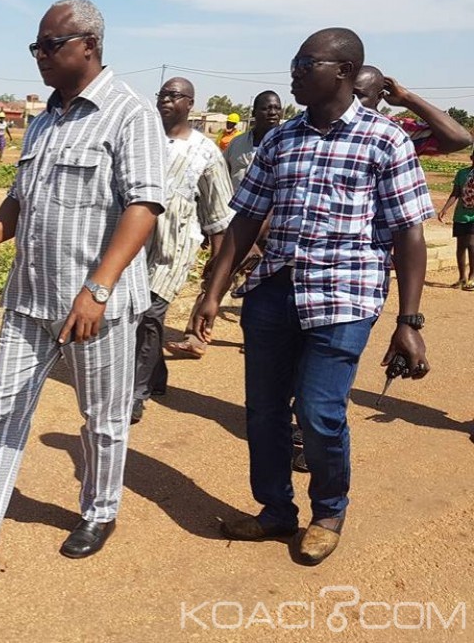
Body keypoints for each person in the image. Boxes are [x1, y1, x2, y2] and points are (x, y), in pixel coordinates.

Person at [0, 0, 165, 585]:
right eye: (36, 46)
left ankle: (100, 510)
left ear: (89, 45)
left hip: (95, 305)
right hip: (30, 297)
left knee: (102, 417)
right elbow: (21, 198)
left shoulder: (130, 114)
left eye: (51, 45)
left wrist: (97, 289)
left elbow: (144, 206)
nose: (40, 56)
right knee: (1, 413)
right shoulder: (45, 118)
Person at [193, 28, 434, 565]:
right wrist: (213, 291)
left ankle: (328, 511)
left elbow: (409, 233)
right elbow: (245, 220)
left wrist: (409, 320)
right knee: (264, 412)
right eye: (295, 62)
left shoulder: (385, 139)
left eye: (306, 63)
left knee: (322, 413)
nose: (295, 72)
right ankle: (276, 511)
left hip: (345, 297)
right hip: (274, 292)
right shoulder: (281, 140)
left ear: (344, 71)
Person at [130, 77, 232, 424]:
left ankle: (135, 394)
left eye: (174, 95)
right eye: (162, 94)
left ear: (190, 103)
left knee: (149, 313)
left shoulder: (206, 152)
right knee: (136, 315)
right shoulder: (141, 140)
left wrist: (218, 270)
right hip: (133, 244)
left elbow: (219, 216)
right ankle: (155, 375)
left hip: (173, 248)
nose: (165, 100)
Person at [165, 90, 283, 360]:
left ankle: (259, 340)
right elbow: (220, 183)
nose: (273, 112)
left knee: (261, 289)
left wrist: (260, 231)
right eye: (267, 108)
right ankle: (196, 337)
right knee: (215, 277)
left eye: (277, 108)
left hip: (271, 230)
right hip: (238, 226)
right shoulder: (238, 145)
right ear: (254, 113)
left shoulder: (285, 144)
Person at [354, 66, 472, 155]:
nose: (350, 101)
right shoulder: (336, 123)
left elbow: (460, 139)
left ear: (379, 97)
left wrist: (407, 98)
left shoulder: (396, 130)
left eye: (358, 95)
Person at [437, 150, 474, 289]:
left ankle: (472, 276)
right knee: (460, 247)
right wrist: (444, 209)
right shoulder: (462, 173)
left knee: (471, 244)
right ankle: (462, 278)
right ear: (471, 158)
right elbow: (455, 193)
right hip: (461, 215)